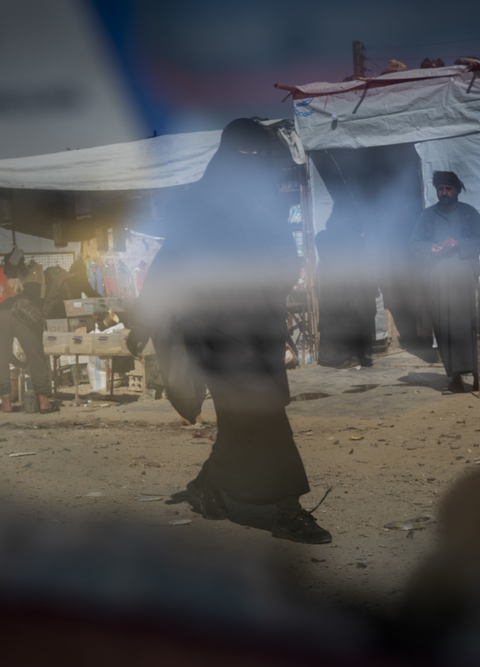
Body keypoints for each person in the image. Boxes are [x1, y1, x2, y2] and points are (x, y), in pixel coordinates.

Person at [128, 118, 331, 544]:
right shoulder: (201, 201)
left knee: (245, 421)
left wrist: (276, 281)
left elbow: (285, 256)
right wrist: (146, 319)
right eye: (245, 154)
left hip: (260, 328)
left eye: (259, 155)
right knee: (263, 416)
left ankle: (206, 485)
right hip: (217, 332)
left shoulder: (264, 203)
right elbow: (170, 262)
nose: (252, 163)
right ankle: (288, 511)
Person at [409, 171, 480, 394]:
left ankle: (478, 376)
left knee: (472, 326)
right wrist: (430, 248)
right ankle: (455, 379)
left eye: (448, 189)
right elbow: (413, 244)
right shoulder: (427, 216)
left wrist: (460, 243)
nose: (444, 193)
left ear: (456, 190)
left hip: (465, 279)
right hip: (436, 280)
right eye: (440, 189)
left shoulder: (468, 213)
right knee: (445, 328)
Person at [315, 203, 377, 368]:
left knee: (344, 324)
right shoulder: (355, 238)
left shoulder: (321, 237)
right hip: (355, 290)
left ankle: (351, 356)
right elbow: (365, 264)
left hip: (337, 291)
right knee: (357, 323)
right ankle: (356, 355)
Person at [0, 278, 55, 413]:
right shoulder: (33, 308)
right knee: (37, 358)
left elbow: (3, 353)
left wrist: (17, 363)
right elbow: (36, 353)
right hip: (21, 315)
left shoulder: (8, 301)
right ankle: (44, 403)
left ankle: (6, 404)